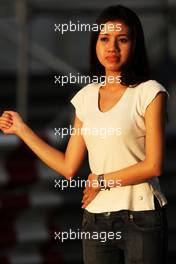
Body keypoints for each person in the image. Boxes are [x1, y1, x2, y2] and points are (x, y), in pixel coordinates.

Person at [0, 5, 169, 264]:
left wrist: (101, 180)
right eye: (104, 39)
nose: (112, 47)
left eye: (122, 39)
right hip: (95, 219)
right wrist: (22, 130)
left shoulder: (149, 93)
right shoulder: (85, 98)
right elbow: (68, 167)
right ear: (95, 44)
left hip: (141, 217)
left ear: (135, 45)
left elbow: (154, 165)